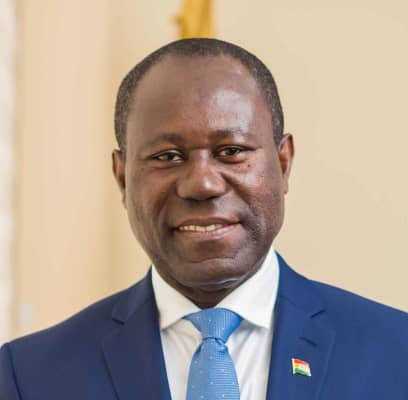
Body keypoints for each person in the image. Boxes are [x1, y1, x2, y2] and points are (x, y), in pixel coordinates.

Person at [0, 38, 407, 400]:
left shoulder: (395, 353)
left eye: (231, 151)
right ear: (122, 177)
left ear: (283, 164)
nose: (203, 184)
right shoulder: (29, 376)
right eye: (167, 157)